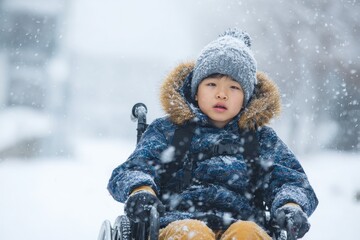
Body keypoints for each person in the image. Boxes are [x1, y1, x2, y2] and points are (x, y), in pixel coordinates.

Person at [107, 29, 318, 240]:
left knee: (248, 233)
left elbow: (291, 181)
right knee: (192, 233)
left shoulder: (261, 139)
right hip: (177, 222)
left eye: (234, 87)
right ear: (195, 91)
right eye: (211, 84)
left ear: (246, 98)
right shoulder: (169, 130)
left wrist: (290, 204)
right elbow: (135, 168)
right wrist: (142, 190)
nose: (222, 94)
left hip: (244, 224)